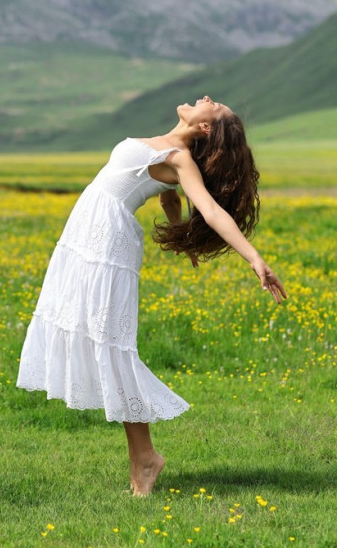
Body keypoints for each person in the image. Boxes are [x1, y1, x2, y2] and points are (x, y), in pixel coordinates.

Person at [16, 95, 286, 497]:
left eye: (215, 106)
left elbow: (210, 210)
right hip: (86, 234)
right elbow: (167, 196)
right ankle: (142, 458)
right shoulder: (168, 149)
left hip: (106, 243)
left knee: (110, 347)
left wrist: (254, 259)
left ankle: (145, 459)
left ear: (206, 127)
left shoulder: (179, 158)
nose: (208, 98)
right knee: (96, 341)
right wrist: (182, 236)